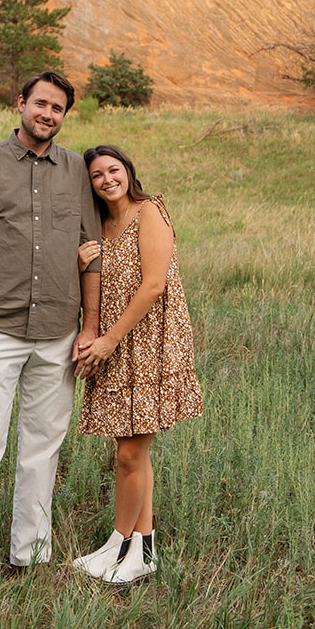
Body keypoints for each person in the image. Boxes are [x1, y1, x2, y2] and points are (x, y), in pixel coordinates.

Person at [0, 71, 102, 599]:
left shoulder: (76, 169)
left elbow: (91, 251)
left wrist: (92, 326)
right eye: (41, 104)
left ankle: (28, 557)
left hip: (58, 334)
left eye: (58, 109)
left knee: (41, 452)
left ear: (64, 116)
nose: (48, 114)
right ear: (21, 104)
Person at [71, 144, 203, 584]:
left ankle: (122, 542)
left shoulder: (150, 211)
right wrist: (80, 265)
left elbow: (152, 286)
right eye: (97, 175)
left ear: (128, 171)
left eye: (114, 170)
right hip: (117, 346)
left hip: (150, 343)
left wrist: (107, 341)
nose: (108, 180)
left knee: (130, 453)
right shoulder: (100, 226)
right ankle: (139, 548)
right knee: (130, 452)